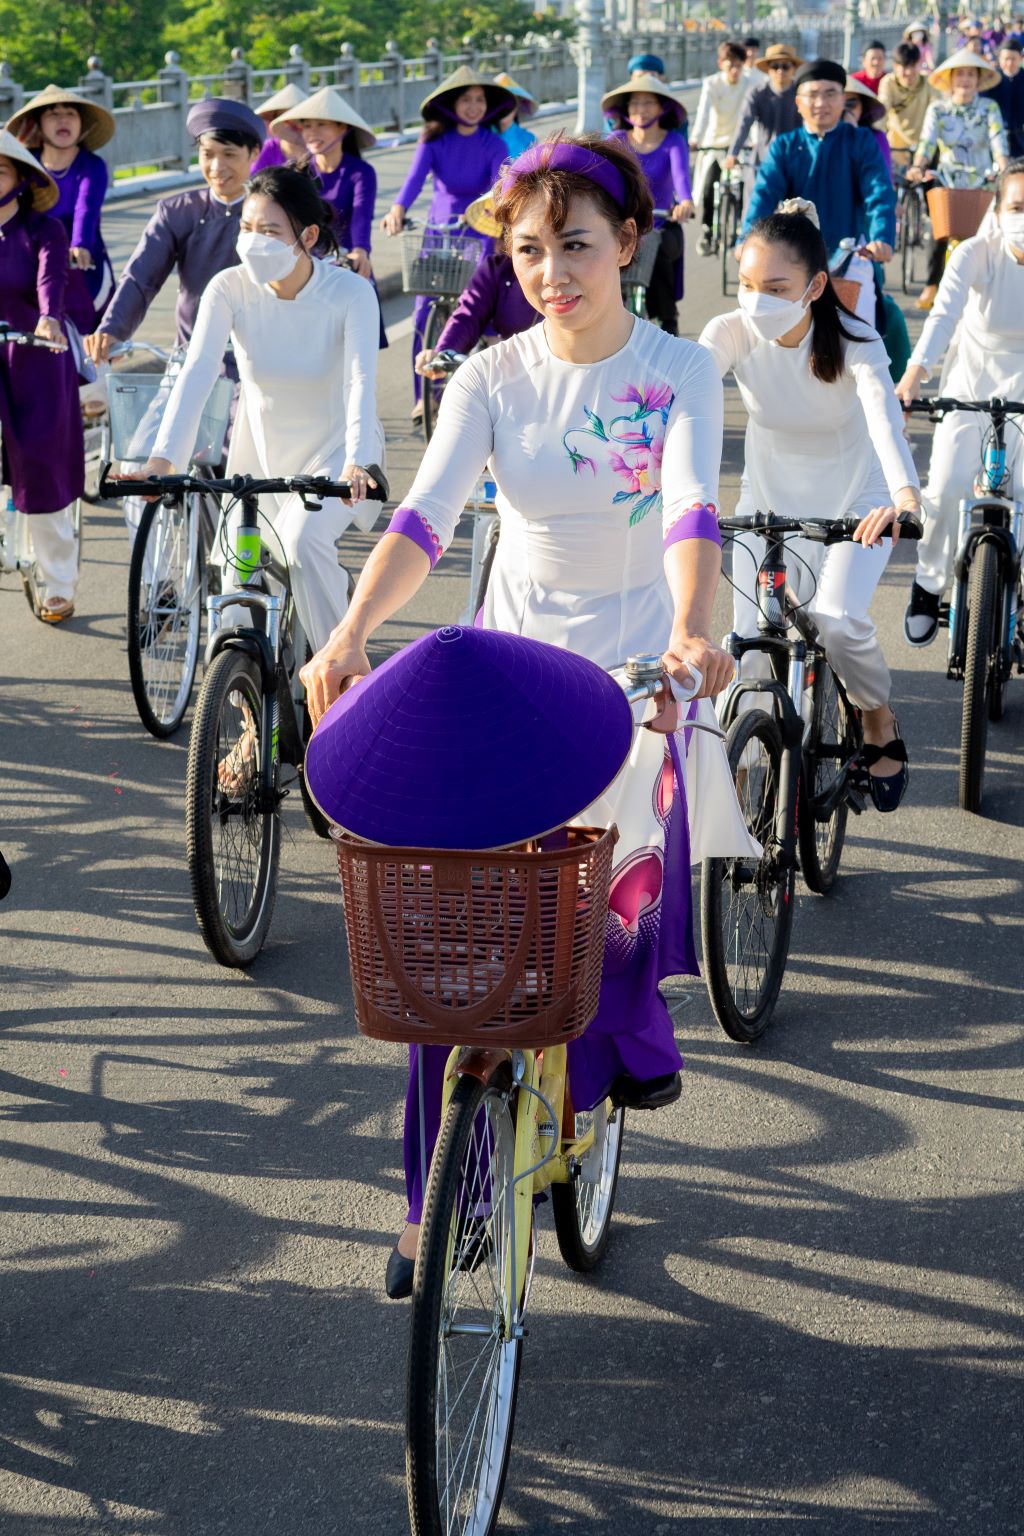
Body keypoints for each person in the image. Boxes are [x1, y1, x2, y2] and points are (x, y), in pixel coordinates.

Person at [300, 135, 756, 1298]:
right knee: (445, 933)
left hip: (638, 665)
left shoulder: (678, 367)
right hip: (510, 670)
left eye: (577, 246)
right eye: (530, 250)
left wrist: (695, 630)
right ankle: (425, 1198)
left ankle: (624, 1035)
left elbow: (692, 504)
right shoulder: (493, 375)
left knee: (599, 911)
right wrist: (350, 636)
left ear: (629, 244)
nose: (553, 271)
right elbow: (425, 516)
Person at [699, 209, 921, 812]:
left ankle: (876, 716)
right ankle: (746, 788)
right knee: (746, 643)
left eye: (775, 289)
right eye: (747, 285)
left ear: (815, 286)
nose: (757, 302)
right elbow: (680, 395)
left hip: (859, 500)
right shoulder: (731, 331)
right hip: (767, 499)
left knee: (838, 619)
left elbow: (882, 418)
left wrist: (904, 497)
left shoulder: (855, 339)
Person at [138, 166, 383, 655]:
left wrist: (357, 460)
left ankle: (346, 685)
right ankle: (243, 704)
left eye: (269, 231)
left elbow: (360, 381)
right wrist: (164, 460)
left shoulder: (350, 293)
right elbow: (199, 372)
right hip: (258, 456)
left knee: (302, 546)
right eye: (247, 229)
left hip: (337, 454)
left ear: (307, 236)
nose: (253, 242)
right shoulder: (229, 287)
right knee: (235, 572)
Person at [896, 158, 1024, 644]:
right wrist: (914, 373)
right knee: (948, 485)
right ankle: (929, 585)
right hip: (971, 383)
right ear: (998, 207)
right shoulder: (975, 252)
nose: (1023, 215)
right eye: (1017, 206)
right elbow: (943, 315)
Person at [85, 98, 266, 365]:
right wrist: (113, 328)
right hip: (191, 355)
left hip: (260, 355)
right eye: (207, 154)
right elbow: (141, 276)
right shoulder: (177, 210)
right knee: (162, 408)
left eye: (229, 154)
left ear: (254, 153)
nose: (217, 167)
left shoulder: (271, 212)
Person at [380, 66, 515, 420]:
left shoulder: (493, 143)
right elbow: (413, 180)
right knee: (424, 313)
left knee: (484, 312)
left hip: (479, 227)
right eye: (465, 100)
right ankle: (424, 396)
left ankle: (495, 389)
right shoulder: (433, 140)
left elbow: (499, 190)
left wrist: (501, 224)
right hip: (438, 231)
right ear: (451, 104)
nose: (473, 106)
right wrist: (397, 209)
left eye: (479, 100)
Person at [0, 131, 84, 622]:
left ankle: (58, 582)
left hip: (35, 352)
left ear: (21, 179)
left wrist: (49, 317)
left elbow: (51, 279)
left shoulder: (44, 229)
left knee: (40, 467)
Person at [741, 60, 896, 261]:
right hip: (794, 258)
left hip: (851, 255)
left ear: (842, 99)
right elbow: (763, 195)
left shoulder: (861, 141)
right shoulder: (785, 146)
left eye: (830, 94)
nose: (821, 103)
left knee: (870, 291)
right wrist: (747, 239)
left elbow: (878, 191)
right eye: (812, 95)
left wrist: (881, 237)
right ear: (798, 103)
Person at [8, 84, 116, 336]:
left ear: (81, 124)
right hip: (30, 257)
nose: (63, 120)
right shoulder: (25, 163)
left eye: (70, 114)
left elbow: (85, 209)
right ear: (38, 124)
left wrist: (80, 243)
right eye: (53, 114)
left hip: (78, 259)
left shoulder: (92, 165)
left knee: (87, 334)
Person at [906, 48, 1008, 310]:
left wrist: (1005, 167)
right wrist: (918, 166)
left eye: (970, 74)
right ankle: (932, 283)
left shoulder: (989, 107)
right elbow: (927, 144)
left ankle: (993, 286)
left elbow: (998, 142)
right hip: (948, 180)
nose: (965, 79)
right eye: (960, 74)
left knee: (992, 234)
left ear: (978, 79)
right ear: (950, 80)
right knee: (937, 230)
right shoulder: (938, 110)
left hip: (983, 180)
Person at [602, 72, 693, 332]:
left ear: (662, 108)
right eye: (635, 103)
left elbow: (681, 178)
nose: (640, 109)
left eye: (648, 103)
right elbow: (599, 176)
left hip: (662, 224)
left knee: (659, 247)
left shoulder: (673, 141)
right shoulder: (616, 140)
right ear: (626, 109)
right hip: (621, 225)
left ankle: (668, 321)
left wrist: (685, 201)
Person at [270, 87, 377, 277]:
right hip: (304, 262)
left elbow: (362, 215)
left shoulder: (361, 172)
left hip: (347, 261)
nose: (312, 132)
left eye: (321, 124)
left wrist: (361, 249)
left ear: (342, 127)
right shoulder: (299, 172)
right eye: (307, 126)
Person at [691, 40, 751, 255]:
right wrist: (696, 139)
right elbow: (703, 113)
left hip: (740, 145)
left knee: (744, 183)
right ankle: (707, 229)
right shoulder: (712, 84)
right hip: (714, 143)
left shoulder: (749, 84)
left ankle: (740, 227)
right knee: (709, 185)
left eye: (739, 65)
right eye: (730, 64)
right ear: (720, 63)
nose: (734, 70)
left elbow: (751, 116)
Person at [726, 43, 803, 171]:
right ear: (768, 69)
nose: (780, 71)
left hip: (796, 157)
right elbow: (744, 124)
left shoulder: (803, 94)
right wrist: (733, 153)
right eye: (775, 66)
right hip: (765, 158)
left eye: (785, 66)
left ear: (793, 68)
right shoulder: (757, 93)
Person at [879, 42, 937, 169]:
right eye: (904, 67)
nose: (909, 72)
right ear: (895, 66)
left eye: (913, 66)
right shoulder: (888, 83)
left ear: (919, 64)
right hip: (896, 147)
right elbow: (882, 108)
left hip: (924, 146)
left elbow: (937, 109)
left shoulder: (928, 82)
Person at [251, 81, 308, 171]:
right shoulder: (269, 149)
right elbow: (253, 180)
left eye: (299, 118)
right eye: (286, 118)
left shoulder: (316, 147)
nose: (293, 123)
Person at [844, 76, 894, 177]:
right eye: (838, 104)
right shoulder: (817, 138)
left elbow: (883, 181)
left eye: (851, 104)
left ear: (862, 107)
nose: (844, 111)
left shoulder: (876, 138)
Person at [983, 38, 1024, 155]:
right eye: (1006, 59)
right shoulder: (991, 79)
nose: (1010, 63)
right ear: (999, 60)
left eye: (1013, 59)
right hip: (995, 135)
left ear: (1021, 59)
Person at [493, 72, 537, 158]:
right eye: (499, 102)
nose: (503, 107)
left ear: (517, 105)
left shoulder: (529, 139)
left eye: (509, 103)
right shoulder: (481, 137)